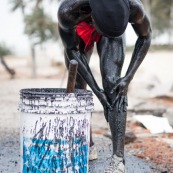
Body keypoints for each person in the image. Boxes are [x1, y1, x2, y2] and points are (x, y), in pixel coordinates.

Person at [58, 0, 151, 172]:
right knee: (79, 86)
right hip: (82, 26)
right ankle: (88, 144)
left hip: (110, 28)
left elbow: (145, 37)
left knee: (114, 84)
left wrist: (127, 79)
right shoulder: (68, 11)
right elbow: (72, 51)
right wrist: (96, 91)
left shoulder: (133, 6)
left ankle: (118, 159)